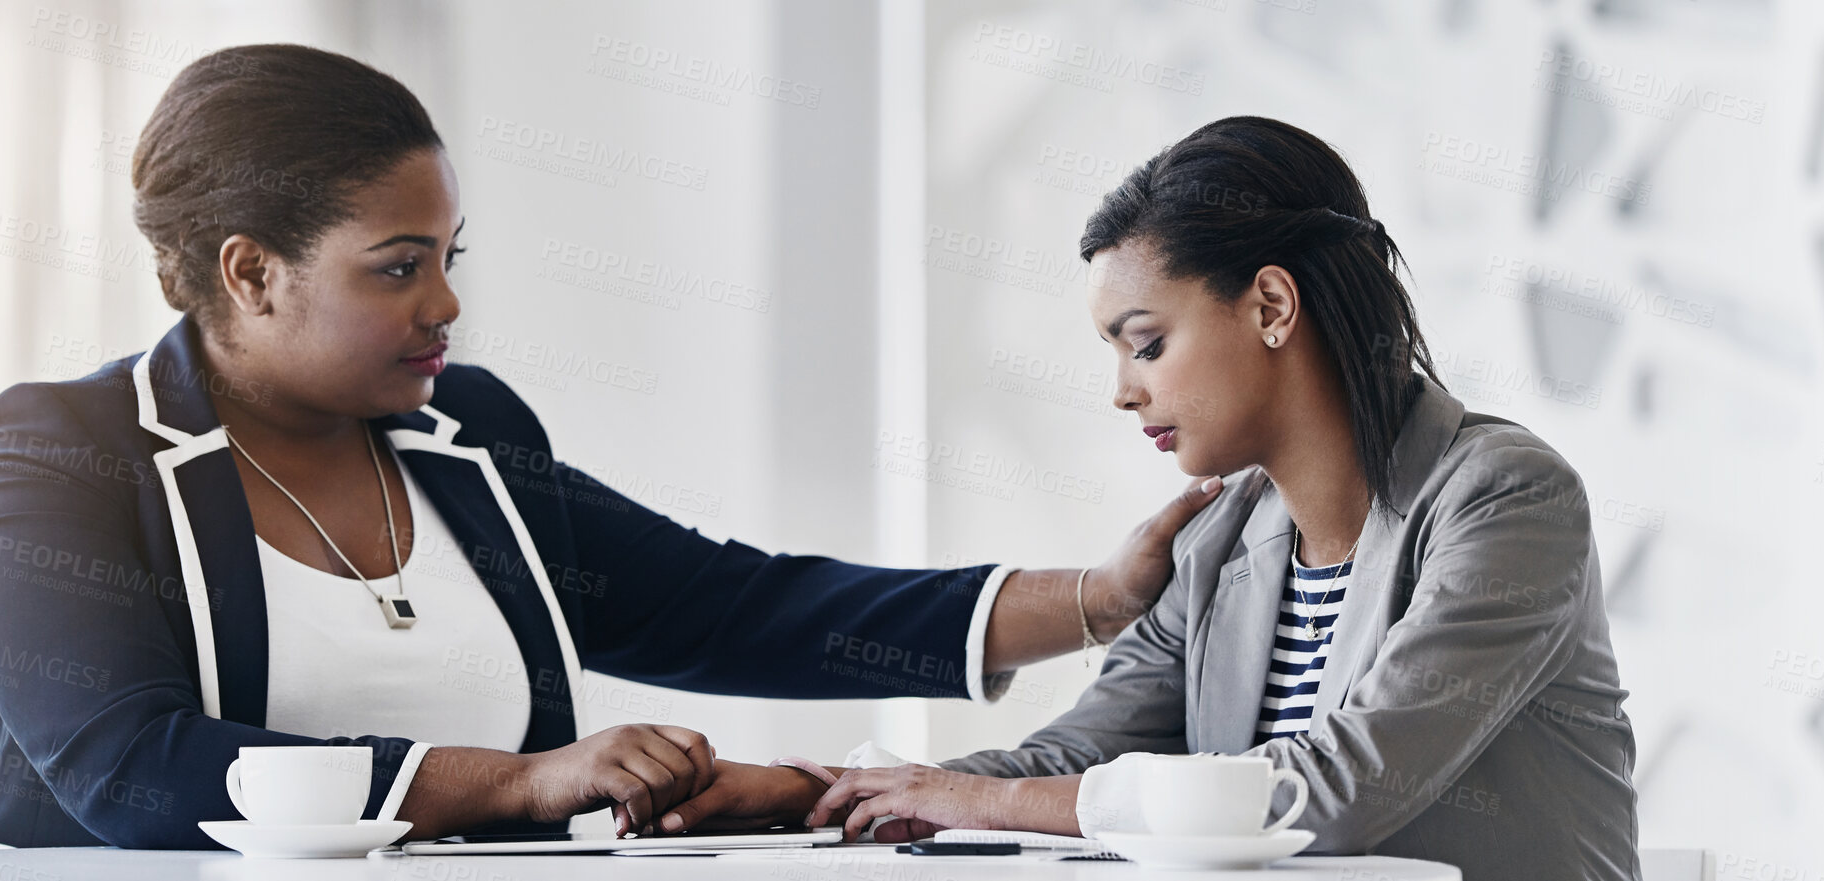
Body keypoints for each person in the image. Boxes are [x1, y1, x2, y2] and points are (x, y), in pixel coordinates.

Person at [0, 43, 1216, 850]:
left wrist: (1096, 600)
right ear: (251, 271)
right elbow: (133, 771)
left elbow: (725, 604)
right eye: (396, 269)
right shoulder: (55, 460)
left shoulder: (469, 437)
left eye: (448, 260)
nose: (443, 305)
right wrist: (518, 780)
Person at [660, 117, 1641, 881]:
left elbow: (1339, 789)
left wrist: (968, 798)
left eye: (1146, 340)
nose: (1123, 389)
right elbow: (1077, 754)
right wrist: (823, 788)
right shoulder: (1219, 540)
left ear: (1269, 305)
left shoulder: (1506, 498)